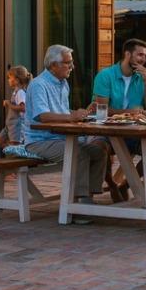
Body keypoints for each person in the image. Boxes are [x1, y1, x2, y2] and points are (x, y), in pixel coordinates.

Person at [23, 45, 109, 224]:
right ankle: (76, 206)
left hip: (61, 138)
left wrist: (81, 113)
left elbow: (61, 112)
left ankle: (87, 198)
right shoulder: (39, 84)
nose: (72, 66)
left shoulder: (63, 84)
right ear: (53, 65)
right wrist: (71, 117)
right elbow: (42, 116)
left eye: (71, 62)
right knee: (79, 153)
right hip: (39, 141)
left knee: (99, 151)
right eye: (67, 63)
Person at [92, 38, 146, 200]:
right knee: (98, 148)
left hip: (132, 133)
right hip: (107, 131)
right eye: (140, 55)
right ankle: (112, 185)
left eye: (145, 56)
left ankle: (126, 184)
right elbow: (102, 109)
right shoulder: (105, 76)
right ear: (127, 54)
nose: (143, 59)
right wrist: (129, 112)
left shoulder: (140, 77)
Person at [0, 65, 31, 146]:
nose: (8, 80)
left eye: (10, 78)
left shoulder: (20, 92)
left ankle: (17, 150)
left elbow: (23, 108)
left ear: (17, 80)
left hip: (16, 126)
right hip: (10, 125)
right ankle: (14, 149)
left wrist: (9, 104)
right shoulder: (16, 92)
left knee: (15, 146)